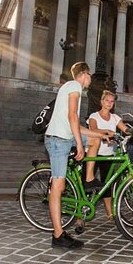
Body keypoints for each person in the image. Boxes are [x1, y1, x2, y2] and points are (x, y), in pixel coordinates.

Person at [44, 62, 108, 249]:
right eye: (90, 76)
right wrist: (80, 144)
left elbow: (77, 126)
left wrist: (101, 134)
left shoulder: (72, 89)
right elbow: (73, 116)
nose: (90, 80)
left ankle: (88, 178)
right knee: (58, 186)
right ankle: (58, 235)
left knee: (95, 142)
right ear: (83, 74)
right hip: (58, 141)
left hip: (67, 137)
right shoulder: (74, 86)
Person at [85, 90, 133, 219]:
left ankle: (109, 213)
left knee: (107, 184)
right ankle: (80, 217)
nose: (109, 103)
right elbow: (93, 129)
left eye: (112, 101)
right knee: (87, 184)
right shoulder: (94, 116)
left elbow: (125, 128)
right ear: (101, 101)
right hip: (94, 154)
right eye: (107, 100)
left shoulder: (115, 117)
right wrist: (106, 132)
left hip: (108, 154)